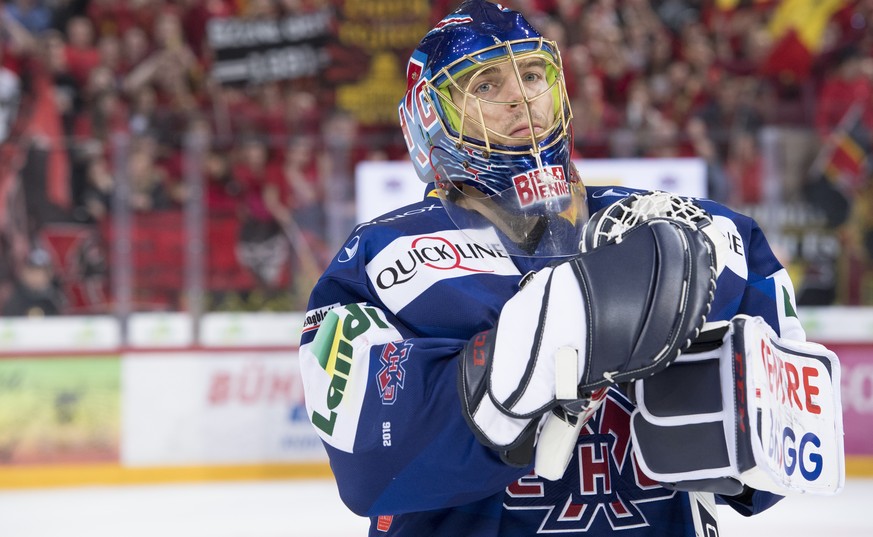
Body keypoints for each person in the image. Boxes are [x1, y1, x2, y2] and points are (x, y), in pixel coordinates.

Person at [299, 2, 843, 535]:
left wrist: (728, 395)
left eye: (533, 75)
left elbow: (783, 462)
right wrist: (515, 369)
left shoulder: (701, 233)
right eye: (484, 85)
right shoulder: (381, 257)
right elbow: (370, 463)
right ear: (428, 118)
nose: (521, 98)